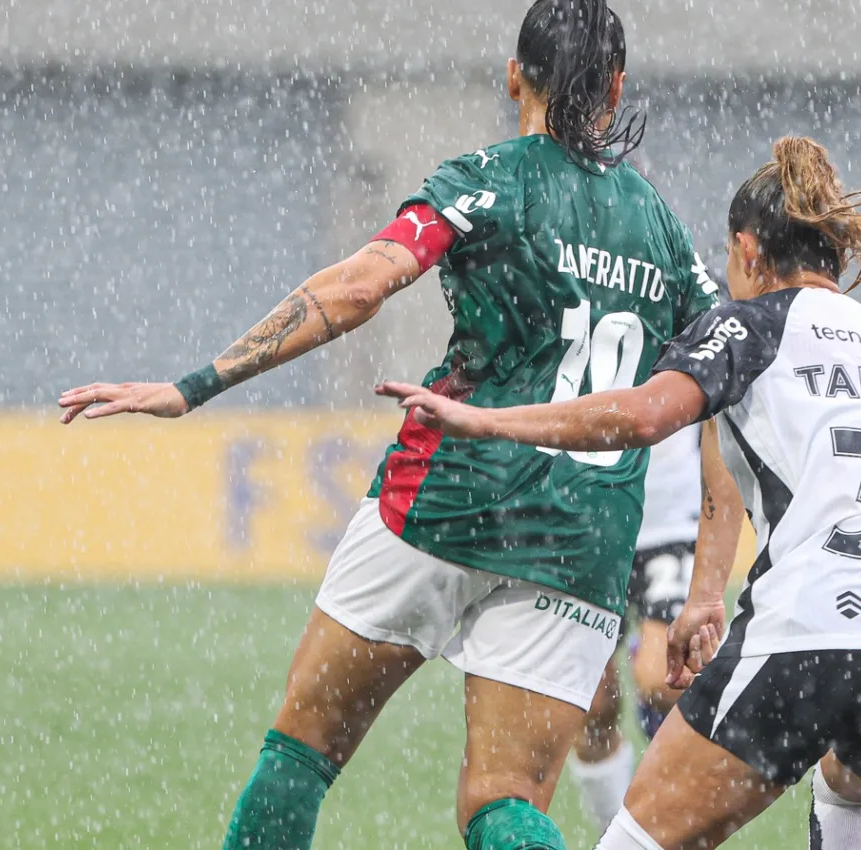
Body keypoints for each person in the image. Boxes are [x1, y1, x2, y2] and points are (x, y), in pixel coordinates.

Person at [57, 3, 722, 849]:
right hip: (579, 534)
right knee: (506, 803)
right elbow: (720, 380)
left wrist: (195, 386)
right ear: (617, 87)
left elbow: (359, 288)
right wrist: (712, 583)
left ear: (515, 74)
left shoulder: (485, 179)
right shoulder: (664, 230)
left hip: (445, 498)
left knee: (301, 751)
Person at [378, 136, 861, 850]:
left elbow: (645, 415)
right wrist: (708, 596)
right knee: (847, 785)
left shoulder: (750, 323)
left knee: (641, 838)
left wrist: (485, 419)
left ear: (745, 250)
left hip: (825, 629)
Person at [569, 422, 705, 833]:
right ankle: (614, 835)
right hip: (589, 519)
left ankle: (650, 682)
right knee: (591, 705)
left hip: (671, 518)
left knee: (661, 679)